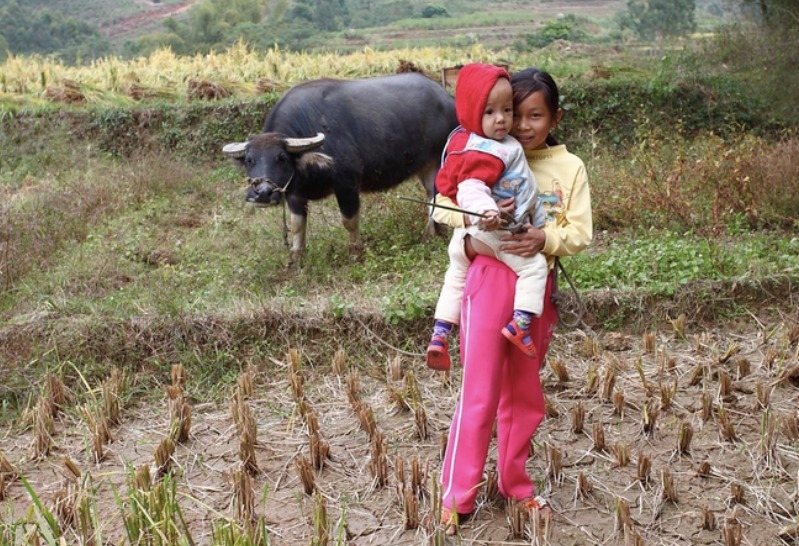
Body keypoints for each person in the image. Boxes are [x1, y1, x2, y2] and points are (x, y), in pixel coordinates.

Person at [434, 67, 593, 534]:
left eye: (532, 115)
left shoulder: (570, 167)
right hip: (486, 279)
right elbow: (442, 205)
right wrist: (474, 222)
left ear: (554, 117)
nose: (520, 125)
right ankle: (457, 493)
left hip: (533, 289)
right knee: (478, 390)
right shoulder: (482, 151)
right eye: (509, 113)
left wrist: (545, 236)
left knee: (523, 393)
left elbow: (580, 232)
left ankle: (516, 486)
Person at [426, 63, 548, 372]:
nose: (502, 120)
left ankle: (440, 333)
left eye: (507, 110)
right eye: (490, 111)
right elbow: (470, 188)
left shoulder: (464, 141)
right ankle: (521, 323)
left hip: (464, 238)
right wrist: (487, 213)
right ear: (470, 111)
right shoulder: (487, 151)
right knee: (534, 268)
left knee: (454, 278)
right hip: (491, 231)